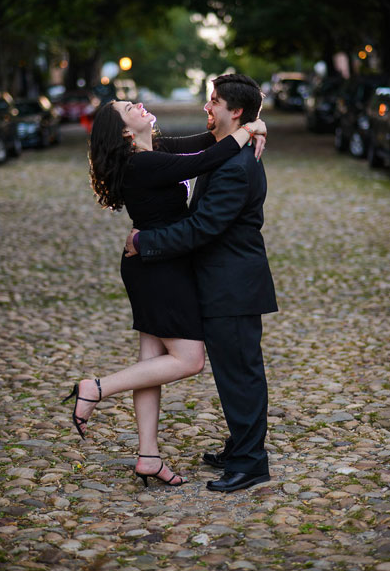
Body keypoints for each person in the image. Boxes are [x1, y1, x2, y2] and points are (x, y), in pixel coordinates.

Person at [66, 95, 267, 488]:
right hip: (158, 269)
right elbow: (204, 161)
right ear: (126, 131)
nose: (138, 104)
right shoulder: (142, 163)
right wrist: (247, 129)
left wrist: (256, 125)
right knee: (189, 360)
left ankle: (148, 456)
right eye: (129, 109)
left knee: (150, 363)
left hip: (153, 264)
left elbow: (207, 142)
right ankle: (96, 388)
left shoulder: (153, 148)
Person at [125, 73, 278, 492]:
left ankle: (251, 463)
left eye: (213, 102)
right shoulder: (223, 149)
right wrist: (254, 127)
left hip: (233, 285)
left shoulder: (236, 166)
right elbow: (173, 150)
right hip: (221, 282)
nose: (207, 107)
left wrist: (145, 241)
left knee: (241, 374)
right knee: (234, 372)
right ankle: (240, 448)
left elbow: (202, 228)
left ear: (236, 111)